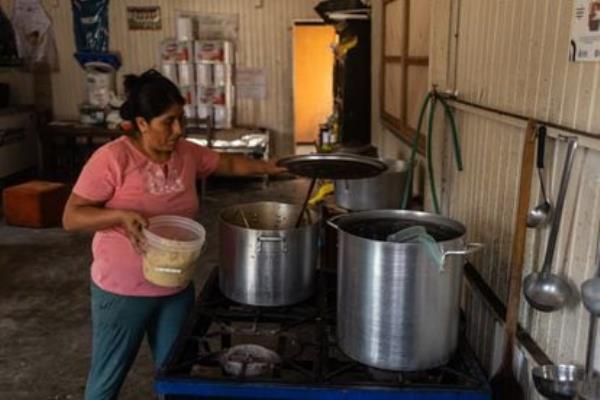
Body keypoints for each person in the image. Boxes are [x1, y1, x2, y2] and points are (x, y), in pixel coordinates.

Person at [62, 69, 285, 399]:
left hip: (175, 284)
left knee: (177, 375)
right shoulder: (112, 159)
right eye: (168, 121)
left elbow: (231, 165)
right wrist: (119, 216)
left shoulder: (186, 153)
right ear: (141, 123)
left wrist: (281, 165)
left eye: (181, 119)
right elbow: (71, 216)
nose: (178, 130)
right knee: (107, 379)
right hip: (124, 290)